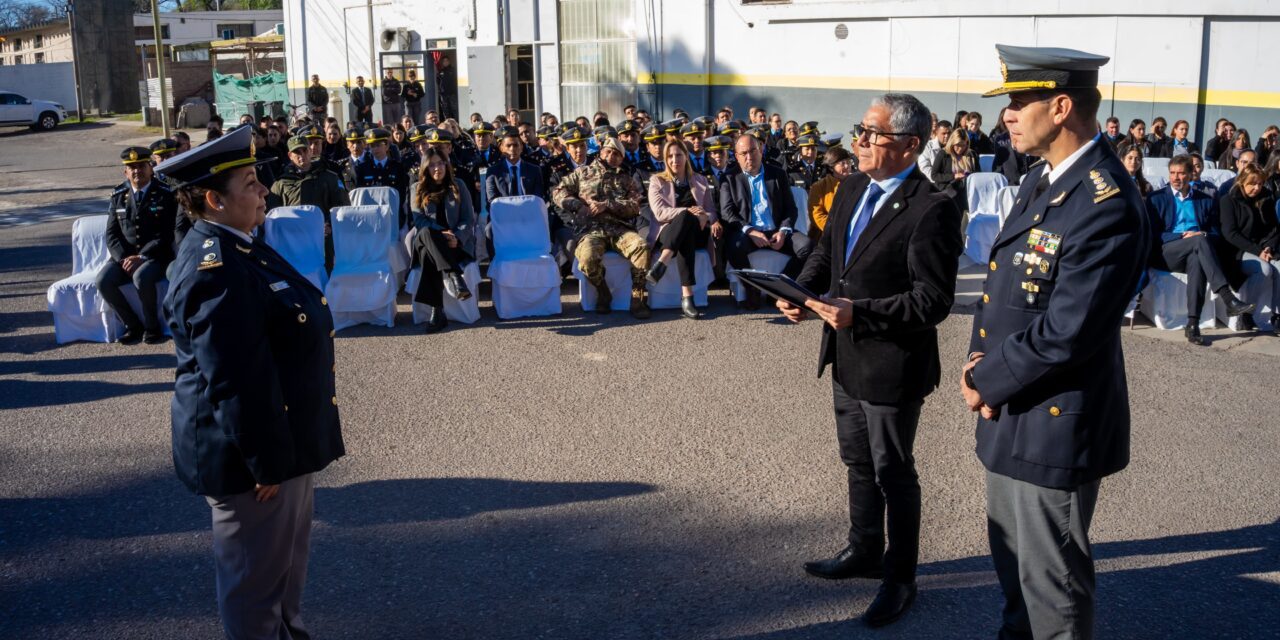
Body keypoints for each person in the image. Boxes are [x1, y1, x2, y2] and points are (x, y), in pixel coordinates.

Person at [963, 44, 1150, 640]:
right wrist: (979, 360)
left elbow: (1067, 332)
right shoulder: (1043, 179)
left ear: (1062, 106)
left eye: (1019, 102)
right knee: (1014, 574)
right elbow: (1002, 290)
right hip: (1011, 405)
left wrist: (982, 379)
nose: (1007, 116)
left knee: (1052, 592)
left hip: (1053, 419)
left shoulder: (1105, 203)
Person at [779, 92, 962, 629]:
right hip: (845, 355)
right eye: (860, 129)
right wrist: (798, 290)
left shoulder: (933, 208)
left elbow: (934, 301)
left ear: (908, 147)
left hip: (891, 364)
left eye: (872, 133)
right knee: (857, 461)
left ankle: (900, 577)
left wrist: (859, 313)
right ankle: (864, 549)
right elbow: (825, 254)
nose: (858, 141)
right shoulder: (852, 186)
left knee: (893, 472)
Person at [159, 125, 344, 640]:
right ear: (215, 200)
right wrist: (265, 461)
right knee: (254, 590)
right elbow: (234, 378)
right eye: (250, 183)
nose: (264, 189)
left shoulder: (240, 244)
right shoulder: (213, 268)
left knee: (282, 575)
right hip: (256, 462)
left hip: (284, 446)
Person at [1148, 156, 1255, 344]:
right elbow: (1152, 234)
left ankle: (1193, 324)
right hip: (1166, 252)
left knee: (1198, 257)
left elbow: (1215, 233)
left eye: (1181, 173)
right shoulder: (1156, 198)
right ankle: (1227, 297)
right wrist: (1182, 236)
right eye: (1172, 173)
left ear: (1191, 174)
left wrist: (1201, 236)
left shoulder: (1205, 200)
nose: (1175, 177)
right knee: (1198, 241)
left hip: (1196, 251)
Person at [551, 137, 651, 318]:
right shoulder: (582, 173)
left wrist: (608, 205)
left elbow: (635, 206)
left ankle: (638, 296)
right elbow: (558, 192)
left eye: (617, 154)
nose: (612, 156)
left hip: (620, 229)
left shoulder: (626, 179)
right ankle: (603, 291)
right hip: (591, 230)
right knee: (587, 258)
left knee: (641, 247)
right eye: (609, 152)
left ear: (622, 158)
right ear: (601, 152)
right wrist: (577, 205)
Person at [98, 146, 179, 345]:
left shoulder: (165, 193)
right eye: (131, 167)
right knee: (103, 281)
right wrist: (124, 258)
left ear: (151, 167)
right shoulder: (118, 195)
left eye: (141, 166)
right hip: (124, 257)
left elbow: (167, 233)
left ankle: (152, 328)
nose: (137, 171)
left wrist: (141, 257)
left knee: (142, 277)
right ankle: (133, 326)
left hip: (155, 255)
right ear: (125, 171)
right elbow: (111, 234)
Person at [721, 134, 811, 308]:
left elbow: (790, 208)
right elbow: (727, 212)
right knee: (734, 247)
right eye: (744, 153)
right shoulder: (730, 178)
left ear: (761, 150)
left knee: (807, 247)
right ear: (736, 156)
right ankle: (752, 290)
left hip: (776, 231)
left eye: (753, 151)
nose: (749, 157)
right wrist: (750, 231)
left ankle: (779, 290)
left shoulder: (778, 174)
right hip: (748, 233)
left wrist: (784, 232)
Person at [646, 139, 721, 319]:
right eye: (670, 156)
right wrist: (688, 211)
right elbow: (660, 213)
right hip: (667, 231)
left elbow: (712, 212)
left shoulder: (701, 180)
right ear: (665, 159)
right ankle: (688, 297)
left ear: (686, 157)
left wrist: (705, 216)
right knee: (685, 223)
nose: (674, 160)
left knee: (687, 224)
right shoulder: (657, 181)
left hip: (699, 231)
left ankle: (663, 262)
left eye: (679, 155)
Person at [410, 147, 475, 333]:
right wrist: (442, 233)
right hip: (429, 241)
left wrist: (456, 237)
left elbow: (468, 219)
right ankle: (454, 275)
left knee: (431, 255)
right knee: (426, 233)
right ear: (425, 168)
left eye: (440, 163)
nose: (437, 168)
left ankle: (437, 312)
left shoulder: (459, 185)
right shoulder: (416, 188)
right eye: (432, 165)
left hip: (454, 244)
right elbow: (419, 220)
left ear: (447, 164)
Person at [268, 135, 351, 273]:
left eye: (305, 151)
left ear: (311, 151)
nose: (302, 156)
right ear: (290, 155)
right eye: (297, 152)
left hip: (322, 240)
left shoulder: (329, 177)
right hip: (293, 241)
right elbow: (272, 215)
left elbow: (342, 207)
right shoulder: (280, 184)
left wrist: (330, 225)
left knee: (324, 276)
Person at [1219, 163, 1280, 333]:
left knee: (1279, 267)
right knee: (1265, 270)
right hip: (1236, 252)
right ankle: (1247, 313)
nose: (1256, 188)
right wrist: (1258, 251)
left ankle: (1277, 315)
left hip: (1262, 248)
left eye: (1260, 184)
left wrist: (1268, 247)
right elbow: (1230, 233)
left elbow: (1274, 229)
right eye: (1252, 183)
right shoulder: (1228, 201)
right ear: (1241, 182)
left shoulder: (1264, 199)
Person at [353, 128, 411, 226]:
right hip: (371, 218)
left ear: (387, 146)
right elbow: (361, 194)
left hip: (393, 217)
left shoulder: (397, 167)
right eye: (372, 146)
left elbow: (402, 193)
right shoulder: (363, 168)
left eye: (378, 145)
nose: (375, 149)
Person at [806, 146, 854, 241]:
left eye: (848, 162)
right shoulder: (819, 186)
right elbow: (816, 215)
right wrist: (836, 230)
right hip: (826, 237)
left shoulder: (858, 183)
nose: (847, 166)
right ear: (831, 167)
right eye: (842, 163)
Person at [930, 129, 977, 213]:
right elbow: (934, 175)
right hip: (948, 188)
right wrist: (954, 176)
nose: (960, 148)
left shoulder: (971, 155)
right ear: (952, 143)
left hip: (966, 190)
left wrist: (968, 175)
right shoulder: (943, 154)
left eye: (963, 145)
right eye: (957, 145)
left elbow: (978, 175)